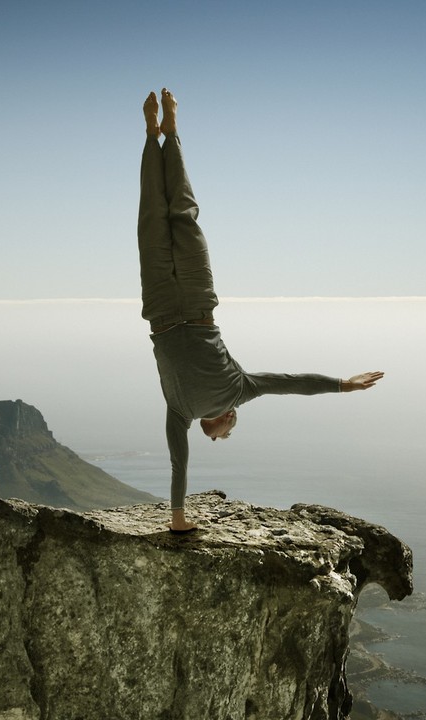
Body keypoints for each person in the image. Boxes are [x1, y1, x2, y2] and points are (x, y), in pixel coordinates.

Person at [138, 88, 384, 533]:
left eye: (222, 437)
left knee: (155, 218)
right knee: (180, 217)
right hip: (191, 305)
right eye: (228, 436)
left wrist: (178, 518)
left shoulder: (182, 414)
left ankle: (153, 133)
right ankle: (170, 134)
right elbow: (293, 383)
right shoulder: (238, 391)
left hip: (165, 307)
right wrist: (343, 385)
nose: (224, 436)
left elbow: (179, 462)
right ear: (228, 418)